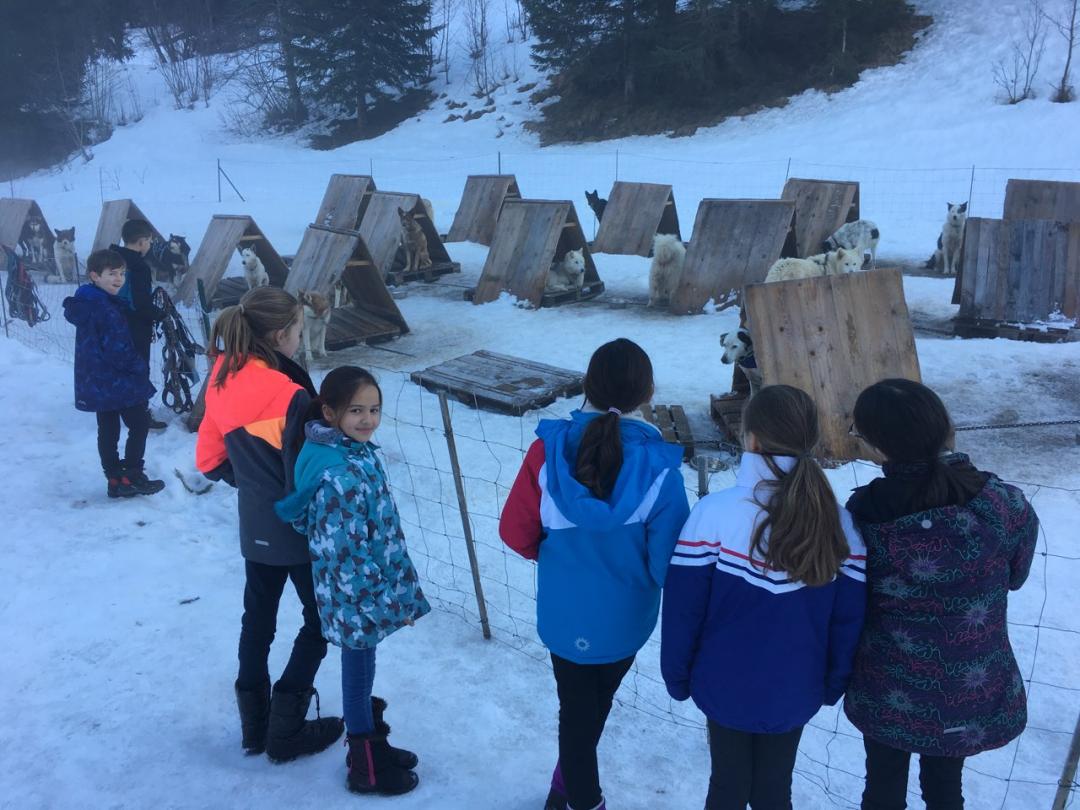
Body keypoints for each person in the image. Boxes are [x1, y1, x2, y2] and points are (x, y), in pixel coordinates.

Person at [499, 338, 690, 810]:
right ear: (647, 393)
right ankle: (582, 799)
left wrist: (556, 559)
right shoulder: (660, 470)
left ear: (587, 385)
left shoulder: (546, 454)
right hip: (625, 621)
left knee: (579, 716)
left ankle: (565, 790)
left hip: (564, 616)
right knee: (587, 716)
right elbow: (667, 565)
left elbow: (515, 532)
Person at [661, 385, 867, 810]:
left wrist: (677, 676)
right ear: (810, 438)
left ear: (750, 438)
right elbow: (848, 621)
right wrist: (832, 683)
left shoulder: (713, 514)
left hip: (722, 685)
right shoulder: (841, 524)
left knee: (726, 788)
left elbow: (683, 610)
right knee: (775, 791)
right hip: (797, 689)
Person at [842, 379, 1039, 810]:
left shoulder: (862, 516)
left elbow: (849, 600)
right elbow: (1016, 576)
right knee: (946, 788)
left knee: (882, 787)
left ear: (878, 444)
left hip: (888, 689)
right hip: (966, 687)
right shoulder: (1003, 505)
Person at [195, 287, 343, 762]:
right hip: (296, 531)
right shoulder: (290, 394)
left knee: (257, 621)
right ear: (280, 335)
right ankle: (286, 728)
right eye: (298, 330)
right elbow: (308, 476)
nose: (300, 338)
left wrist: (252, 482)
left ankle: (254, 727)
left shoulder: (221, 376)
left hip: (254, 525)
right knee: (320, 620)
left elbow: (209, 459)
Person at [276, 366, 430, 796]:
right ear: (330, 413)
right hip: (355, 593)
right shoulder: (337, 475)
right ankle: (366, 765)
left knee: (363, 665)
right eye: (356, 410)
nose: (368, 419)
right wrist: (386, 602)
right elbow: (347, 555)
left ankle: (372, 742)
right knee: (358, 671)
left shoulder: (352, 452)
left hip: (362, 590)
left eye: (374, 409)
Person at [62, 248, 165, 498]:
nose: (119, 279)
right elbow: (118, 350)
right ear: (94, 276)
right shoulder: (106, 309)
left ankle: (115, 479)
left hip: (96, 380)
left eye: (121, 273)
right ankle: (132, 474)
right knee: (139, 424)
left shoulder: (86, 302)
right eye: (112, 274)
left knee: (108, 428)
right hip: (118, 380)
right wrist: (139, 368)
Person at [111, 218, 166, 429]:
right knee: (139, 369)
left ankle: (118, 406)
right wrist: (160, 315)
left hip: (112, 324)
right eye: (149, 241)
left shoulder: (111, 259)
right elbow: (141, 303)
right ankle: (139, 414)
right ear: (142, 242)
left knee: (118, 366)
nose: (149, 245)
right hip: (135, 328)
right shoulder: (139, 267)